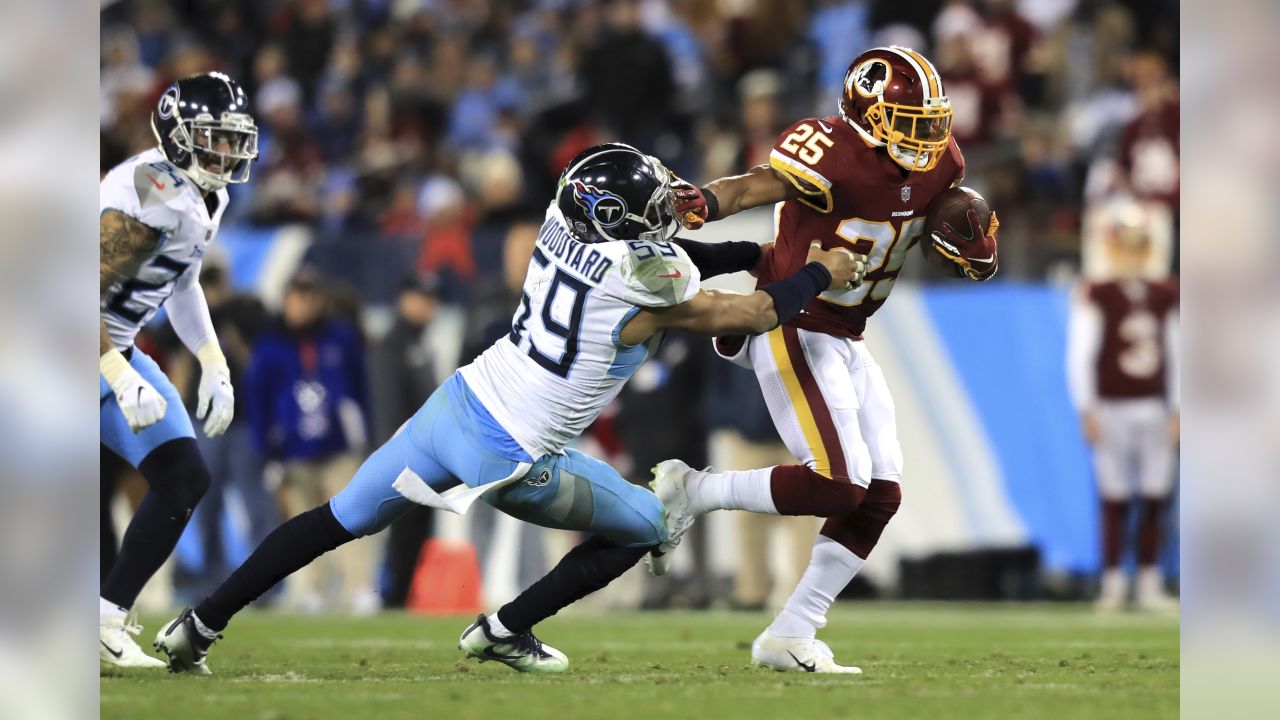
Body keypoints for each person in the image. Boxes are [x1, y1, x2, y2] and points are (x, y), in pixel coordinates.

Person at [153, 143, 862, 675]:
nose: (662, 218)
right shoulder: (647, 279)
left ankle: (200, 624)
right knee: (652, 523)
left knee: (333, 519)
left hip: (457, 403)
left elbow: (669, 259)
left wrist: (748, 249)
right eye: (648, 214)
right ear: (619, 224)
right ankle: (505, 629)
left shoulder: (560, 218)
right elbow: (759, 310)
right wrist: (819, 271)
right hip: (511, 452)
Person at [656, 46, 1001, 673]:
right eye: (908, 120)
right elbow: (757, 185)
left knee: (880, 494)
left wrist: (960, 242)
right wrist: (702, 200)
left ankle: (792, 632)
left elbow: (922, 223)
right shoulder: (830, 148)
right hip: (794, 318)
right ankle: (695, 490)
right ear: (867, 115)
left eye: (930, 121)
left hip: (848, 333)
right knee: (839, 483)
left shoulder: (942, 162)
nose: (926, 137)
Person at [98, 72, 257, 668]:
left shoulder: (206, 195)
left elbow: (182, 282)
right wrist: (116, 371)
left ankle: (106, 617)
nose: (229, 151)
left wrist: (211, 359)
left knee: (184, 476)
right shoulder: (150, 192)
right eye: (215, 136)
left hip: (111, 346)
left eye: (235, 138)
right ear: (177, 133)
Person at [1066, 205, 1179, 612]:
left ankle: (1148, 582)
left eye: (1138, 246)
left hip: (1153, 405)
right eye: (1124, 246)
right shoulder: (1098, 292)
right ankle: (1113, 582)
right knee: (1114, 496)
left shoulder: (1165, 293)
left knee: (1154, 496)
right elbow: (1081, 355)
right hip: (1112, 406)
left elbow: (1178, 352)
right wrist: (1086, 407)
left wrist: (1180, 407)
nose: (1131, 254)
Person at [245, 271, 376, 614]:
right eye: (297, 295)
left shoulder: (340, 337)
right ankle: (311, 589)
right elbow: (257, 400)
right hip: (292, 451)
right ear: (287, 298)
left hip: (338, 447)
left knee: (352, 515)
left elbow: (361, 387)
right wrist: (267, 452)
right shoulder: (270, 344)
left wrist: (365, 433)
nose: (303, 303)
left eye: (309, 295)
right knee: (300, 523)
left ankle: (359, 587)